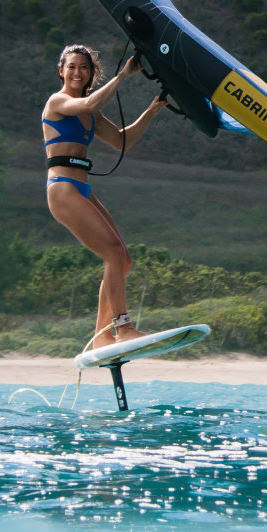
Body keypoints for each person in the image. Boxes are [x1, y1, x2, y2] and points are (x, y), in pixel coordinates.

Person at [42, 43, 168, 352]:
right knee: (112, 252)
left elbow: (122, 141)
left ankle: (101, 335)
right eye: (71, 66)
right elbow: (87, 104)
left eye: (84, 67)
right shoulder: (58, 101)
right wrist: (124, 74)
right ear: (61, 71)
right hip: (63, 188)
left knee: (123, 259)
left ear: (91, 74)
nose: (77, 72)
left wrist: (151, 111)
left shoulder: (91, 113)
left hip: (82, 188)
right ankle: (122, 327)